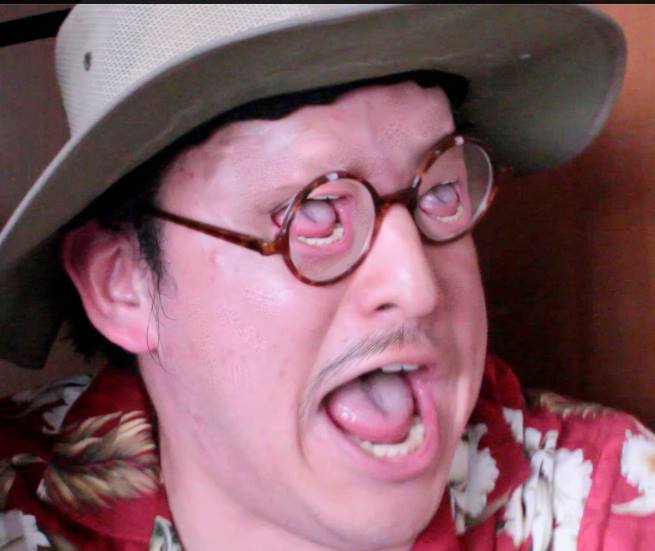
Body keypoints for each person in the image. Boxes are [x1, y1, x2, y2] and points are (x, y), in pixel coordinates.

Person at [0, 4, 653, 550]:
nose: (418, 286)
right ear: (123, 283)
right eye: (313, 213)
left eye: (440, 191)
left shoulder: (604, 503)